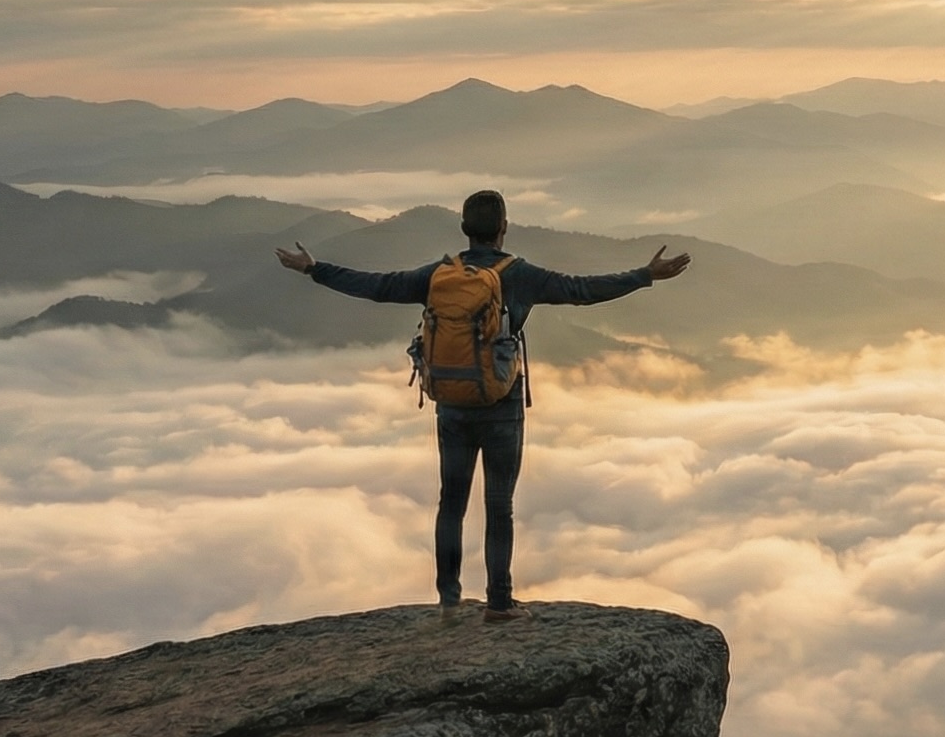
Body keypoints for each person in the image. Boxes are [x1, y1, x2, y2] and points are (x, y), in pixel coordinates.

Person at [275, 190, 689, 623]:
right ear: (504, 227)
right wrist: (645, 275)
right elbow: (581, 290)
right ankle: (499, 602)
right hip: (501, 406)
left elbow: (378, 286)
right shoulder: (521, 275)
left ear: (464, 230)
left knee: (451, 501)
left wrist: (314, 269)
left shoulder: (439, 274)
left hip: (451, 403)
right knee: (498, 504)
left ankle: (449, 601)